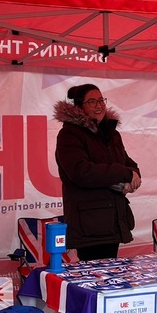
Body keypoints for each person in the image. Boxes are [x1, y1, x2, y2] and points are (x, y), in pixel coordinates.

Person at [54, 84, 141, 261]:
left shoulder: (112, 134)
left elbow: (129, 164)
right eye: (92, 101)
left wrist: (133, 175)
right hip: (89, 224)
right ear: (79, 107)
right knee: (94, 280)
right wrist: (124, 174)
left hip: (113, 221)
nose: (99, 105)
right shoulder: (69, 134)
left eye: (101, 100)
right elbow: (82, 172)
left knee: (111, 278)